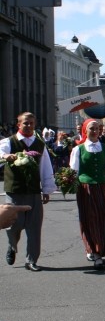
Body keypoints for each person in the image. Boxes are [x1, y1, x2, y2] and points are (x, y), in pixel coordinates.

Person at [1, 112, 56, 272]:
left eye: (32, 123)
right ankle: (12, 246)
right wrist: (6, 156)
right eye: (25, 123)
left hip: (33, 192)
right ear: (19, 124)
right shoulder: (9, 142)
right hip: (15, 191)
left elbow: (45, 167)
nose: (29, 126)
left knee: (34, 227)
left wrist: (46, 189)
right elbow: (0, 153)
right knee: (13, 225)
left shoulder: (39, 144)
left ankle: (31, 260)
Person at [69, 119, 105, 269]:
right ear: (85, 131)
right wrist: (69, 182)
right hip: (85, 189)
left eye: (97, 129)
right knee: (90, 219)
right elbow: (73, 171)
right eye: (91, 129)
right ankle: (94, 251)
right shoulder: (78, 149)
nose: (95, 131)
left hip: (102, 186)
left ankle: (101, 248)